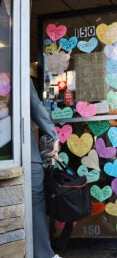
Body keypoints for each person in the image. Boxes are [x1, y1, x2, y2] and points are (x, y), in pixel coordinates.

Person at [30, 79, 61, 258]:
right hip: (24, 153)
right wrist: (52, 134)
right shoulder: (11, 70)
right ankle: (43, 255)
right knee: (36, 203)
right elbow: (35, 105)